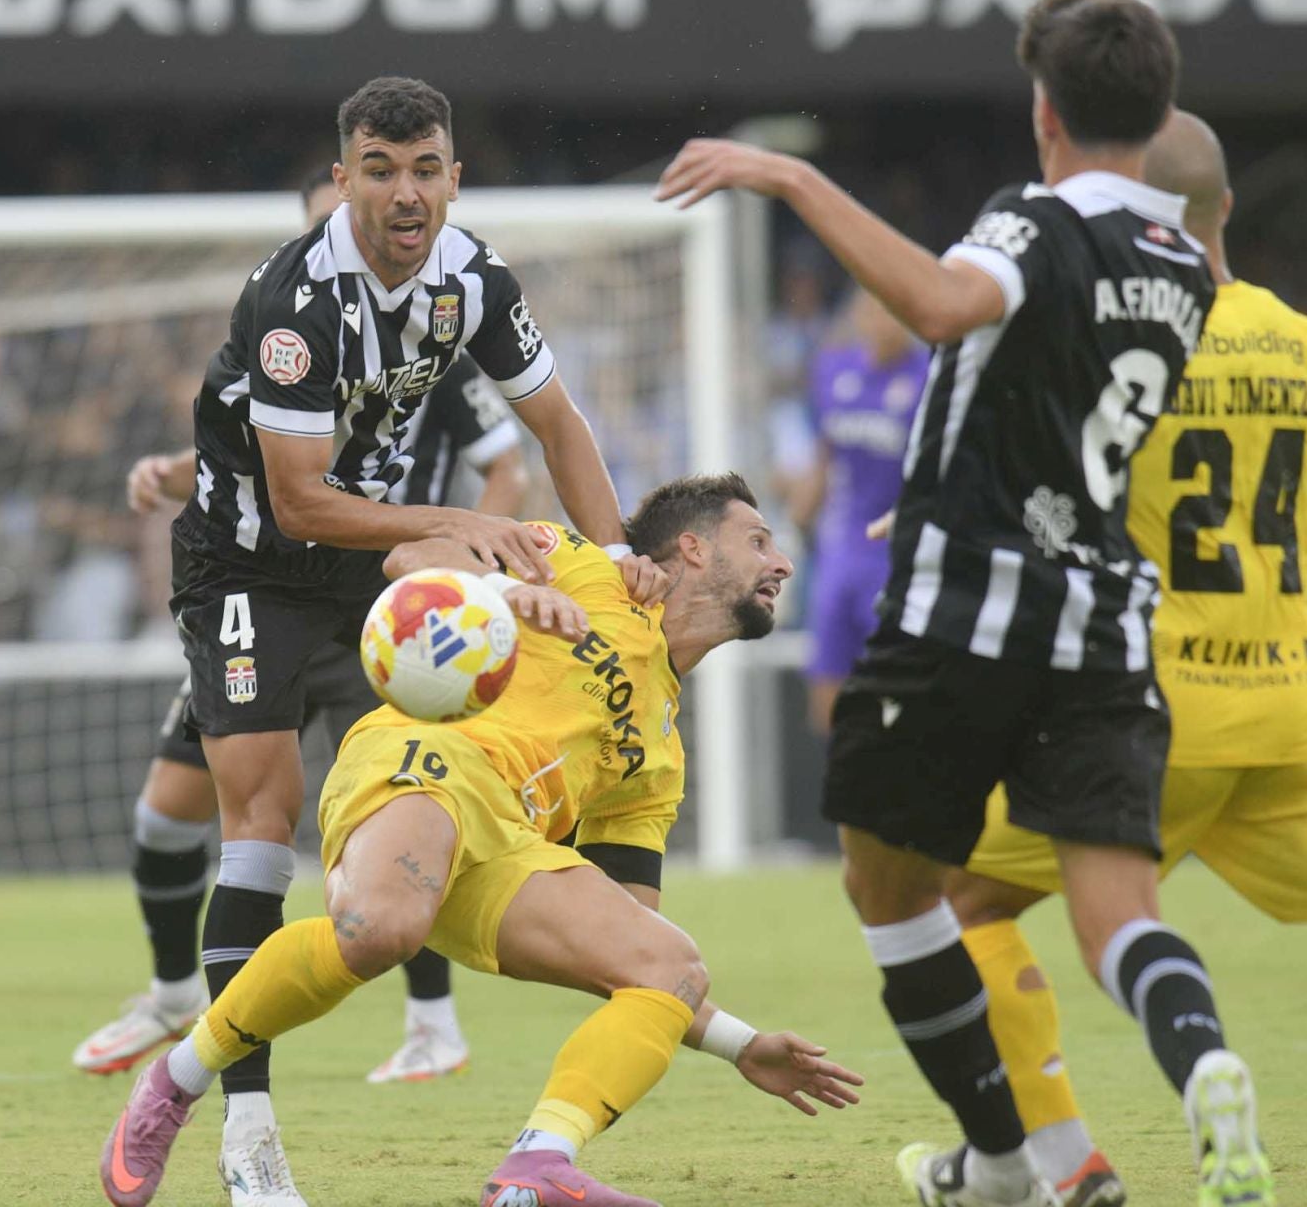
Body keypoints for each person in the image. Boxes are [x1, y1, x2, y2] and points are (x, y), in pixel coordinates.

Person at [659, 0, 1271, 1207]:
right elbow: (1054, 408)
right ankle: (1204, 1061)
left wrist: (790, 180)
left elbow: (943, 309)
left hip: (966, 622)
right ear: (1151, 119)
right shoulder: (1184, 273)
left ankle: (1002, 1157)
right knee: (1119, 921)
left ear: (1044, 114)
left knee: (890, 889)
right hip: (1101, 631)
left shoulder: (1032, 224)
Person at [162, 77, 662, 1206]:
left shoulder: (473, 276)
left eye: (425, 168)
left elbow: (559, 422)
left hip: (374, 559)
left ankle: (453, 995)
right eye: (379, 170)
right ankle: (246, 1127)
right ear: (342, 180)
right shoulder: (298, 302)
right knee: (259, 814)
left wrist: (621, 557)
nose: (405, 193)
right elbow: (297, 503)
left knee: (435, 758)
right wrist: (453, 523)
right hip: (249, 564)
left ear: (454, 175)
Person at [100, 475, 863, 1207]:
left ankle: (538, 1163)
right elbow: (410, 559)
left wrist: (739, 1044)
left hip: (506, 849)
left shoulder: (659, 759)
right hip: (423, 760)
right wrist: (506, 590)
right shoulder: (584, 567)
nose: (783, 561)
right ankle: (176, 1078)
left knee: (671, 967)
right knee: (381, 929)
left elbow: (630, 948)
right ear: (694, 550)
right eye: (759, 540)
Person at [946, 111, 1307, 1207]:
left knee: (956, 902)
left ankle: (1049, 1160)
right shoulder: (1304, 338)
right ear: (1229, 207)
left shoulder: (1115, 336)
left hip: (1136, 714)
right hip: (1288, 711)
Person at [72, 171, 531, 1088]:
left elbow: (508, 464)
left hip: (376, 603)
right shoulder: (296, 314)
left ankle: (430, 1020)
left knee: (397, 812)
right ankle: (173, 995)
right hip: (261, 585)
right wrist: (179, 470)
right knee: (168, 815)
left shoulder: (434, 340)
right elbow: (259, 446)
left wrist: (454, 556)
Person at [790, 290, 930, 734]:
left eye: (889, 308)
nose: (878, 320)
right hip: (841, 553)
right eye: (869, 308)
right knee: (827, 687)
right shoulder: (834, 372)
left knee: (900, 687)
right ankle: (840, 785)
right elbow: (824, 453)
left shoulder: (930, 379)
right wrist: (800, 511)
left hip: (898, 557)